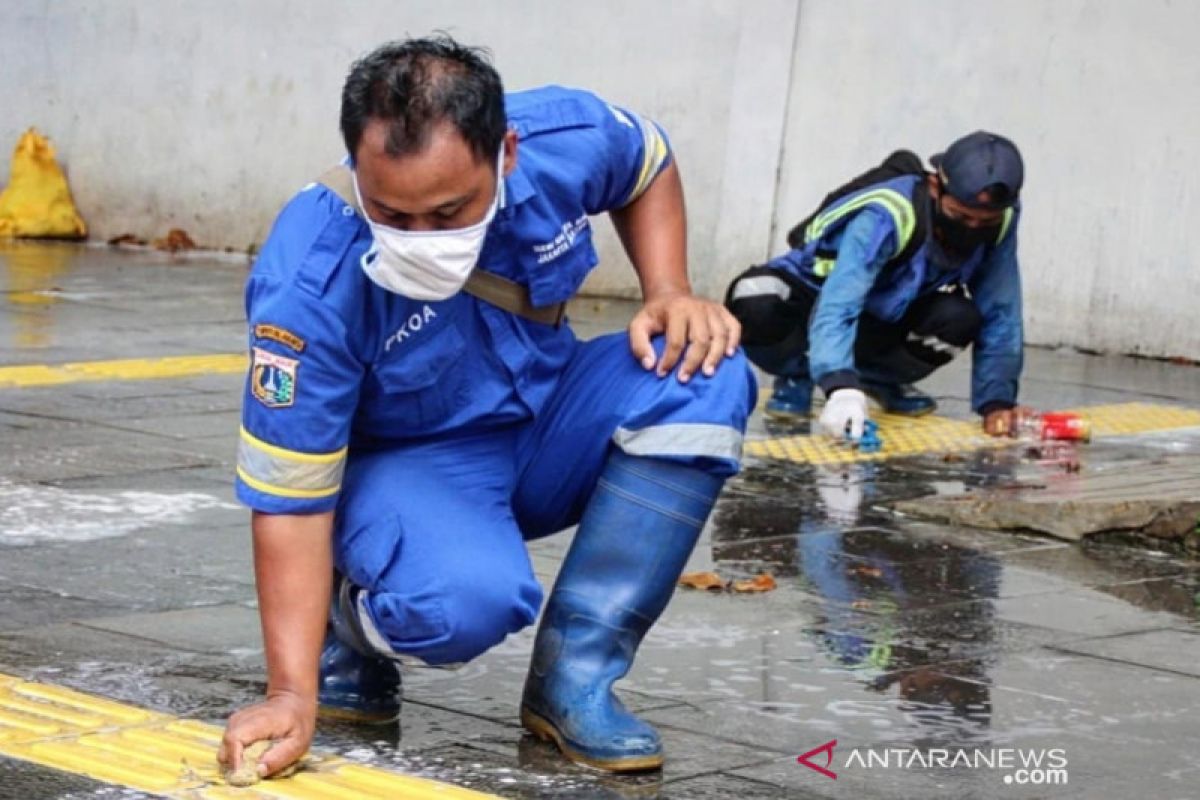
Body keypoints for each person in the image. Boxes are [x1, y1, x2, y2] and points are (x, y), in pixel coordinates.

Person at [217, 35, 755, 777]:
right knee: (460, 607)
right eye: (392, 215)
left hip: (545, 416)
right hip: (412, 468)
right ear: (356, 163)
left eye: (449, 211)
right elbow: (288, 497)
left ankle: (576, 681)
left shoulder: (564, 138)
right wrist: (289, 693)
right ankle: (343, 623)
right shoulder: (307, 281)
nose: (421, 240)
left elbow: (647, 163)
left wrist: (668, 290)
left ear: (505, 153)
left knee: (704, 367)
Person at [725, 132, 1027, 440]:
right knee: (754, 298)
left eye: (984, 222)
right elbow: (840, 301)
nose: (972, 228)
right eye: (960, 216)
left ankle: (877, 380)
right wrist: (839, 385)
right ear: (936, 187)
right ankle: (796, 374)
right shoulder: (886, 215)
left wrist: (997, 402)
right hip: (813, 303)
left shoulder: (1001, 222)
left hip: (882, 318)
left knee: (960, 318)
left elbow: (1001, 308)